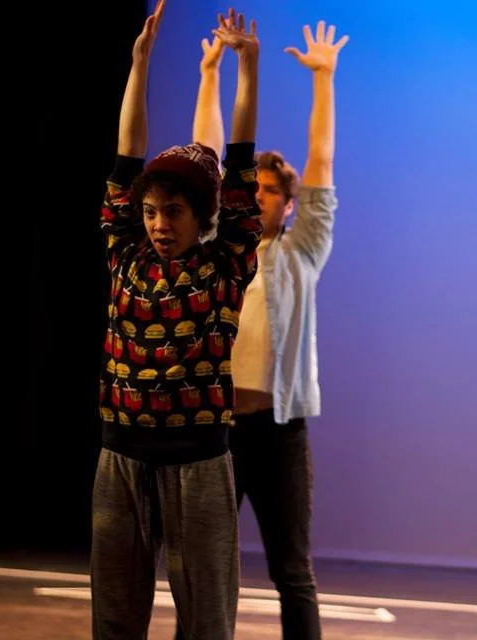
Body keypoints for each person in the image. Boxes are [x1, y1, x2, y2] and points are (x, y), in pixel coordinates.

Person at [90, 3, 263, 638]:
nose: (161, 225)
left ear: (203, 216)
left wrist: (249, 68)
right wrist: (138, 64)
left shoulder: (226, 266)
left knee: (207, 620)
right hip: (121, 455)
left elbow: (240, 163)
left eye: (175, 213)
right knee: (114, 617)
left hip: (198, 459)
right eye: (153, 212)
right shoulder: (124, 254)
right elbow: (124, 158)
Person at [173, 18, 347, 640]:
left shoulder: (301, 250)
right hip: (216, 431)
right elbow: (205, 160)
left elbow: (321, 161)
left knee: (292, 572)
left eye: (274, 191)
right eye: (257, 189)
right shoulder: (220, 244)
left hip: (280, 432)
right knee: (201, 569)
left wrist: (323, 80)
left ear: (289, 203)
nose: (264, 197)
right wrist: (211, 74)